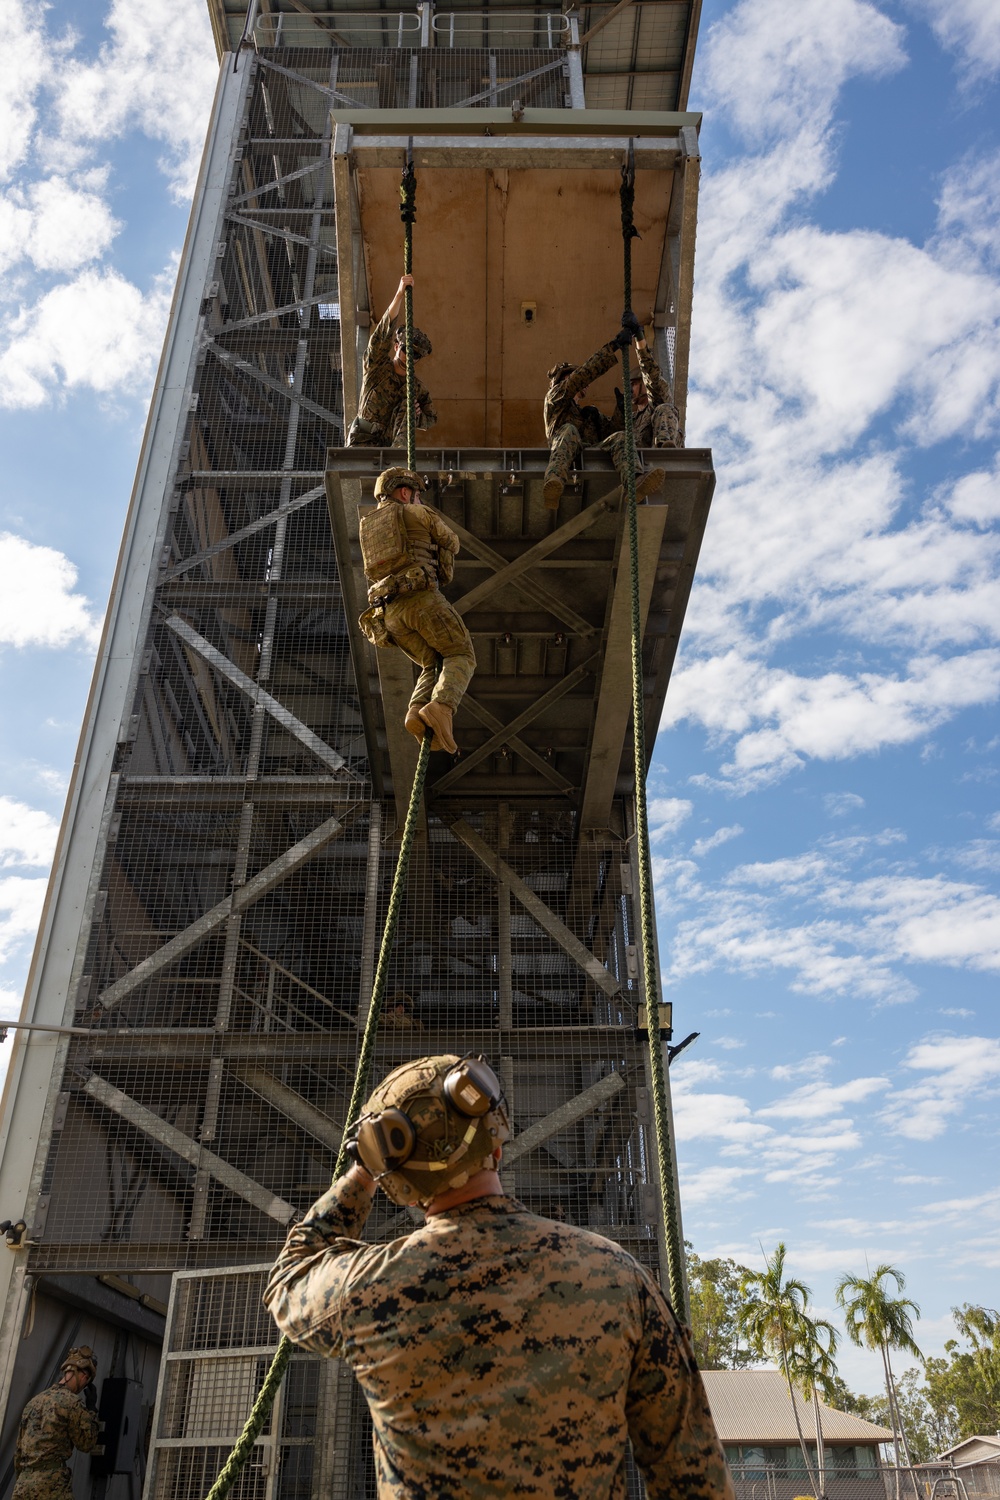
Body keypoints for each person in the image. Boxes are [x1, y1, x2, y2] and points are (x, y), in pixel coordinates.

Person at [265, 1053, 734, 1500]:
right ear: (498, 1141)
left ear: (401, 1185)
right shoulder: (616, 1274)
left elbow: (291, 1277)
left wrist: (361, 1174)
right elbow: (692, 1474)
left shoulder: (369, 1289)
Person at [358, 467, 475, 755]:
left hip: (390, 614)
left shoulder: (368, 526)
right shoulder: (418, 513)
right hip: (422, 600)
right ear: (405, 492)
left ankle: (417, 710)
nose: (418, 498)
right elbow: (453, 543)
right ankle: (443, 707)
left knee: (430, 662)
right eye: (416, 494)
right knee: (461, 654)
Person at [543, 313, 666, 510]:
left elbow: (612, 432)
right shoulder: (555, 397)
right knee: (569, 430)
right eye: (573, 376)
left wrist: (621, 408)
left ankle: (634, 482)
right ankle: (554, 481)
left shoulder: (589, 414)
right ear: (564, 379)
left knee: (620, 436)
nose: (585, 384)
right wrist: (614, 346)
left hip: (589, 450)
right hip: (567, 449)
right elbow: (583, 375)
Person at [347, 274, 437, 447]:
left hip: (388, 445)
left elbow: (431, 418)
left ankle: (398, 456)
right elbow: (381, 335)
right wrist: (399, 294)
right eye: (406, 350)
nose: (409, 357)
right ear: (396, 347)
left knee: (409, 404)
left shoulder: (416, 388)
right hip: (361, 439)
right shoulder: (377, 367)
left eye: (415, 355)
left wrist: (418, 416)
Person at [12, 1347, 102, 1500]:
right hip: (51, 1486)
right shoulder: (72, 1402)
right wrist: (92, 1410)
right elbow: (86, 1443)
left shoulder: (34, 1402)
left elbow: (19, 1451)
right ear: (83, 1376)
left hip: (23, 1485)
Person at [610, 331, 683, 449]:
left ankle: (665, 449)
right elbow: (612, 432)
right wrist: (619, 410)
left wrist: (639, 337)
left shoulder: (656, 405)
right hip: (638, 461)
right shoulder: (632, 419)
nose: (629, 389)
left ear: (644, 383)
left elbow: (652, 376)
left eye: (633, 384)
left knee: (664, 408)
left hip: (659, 457)